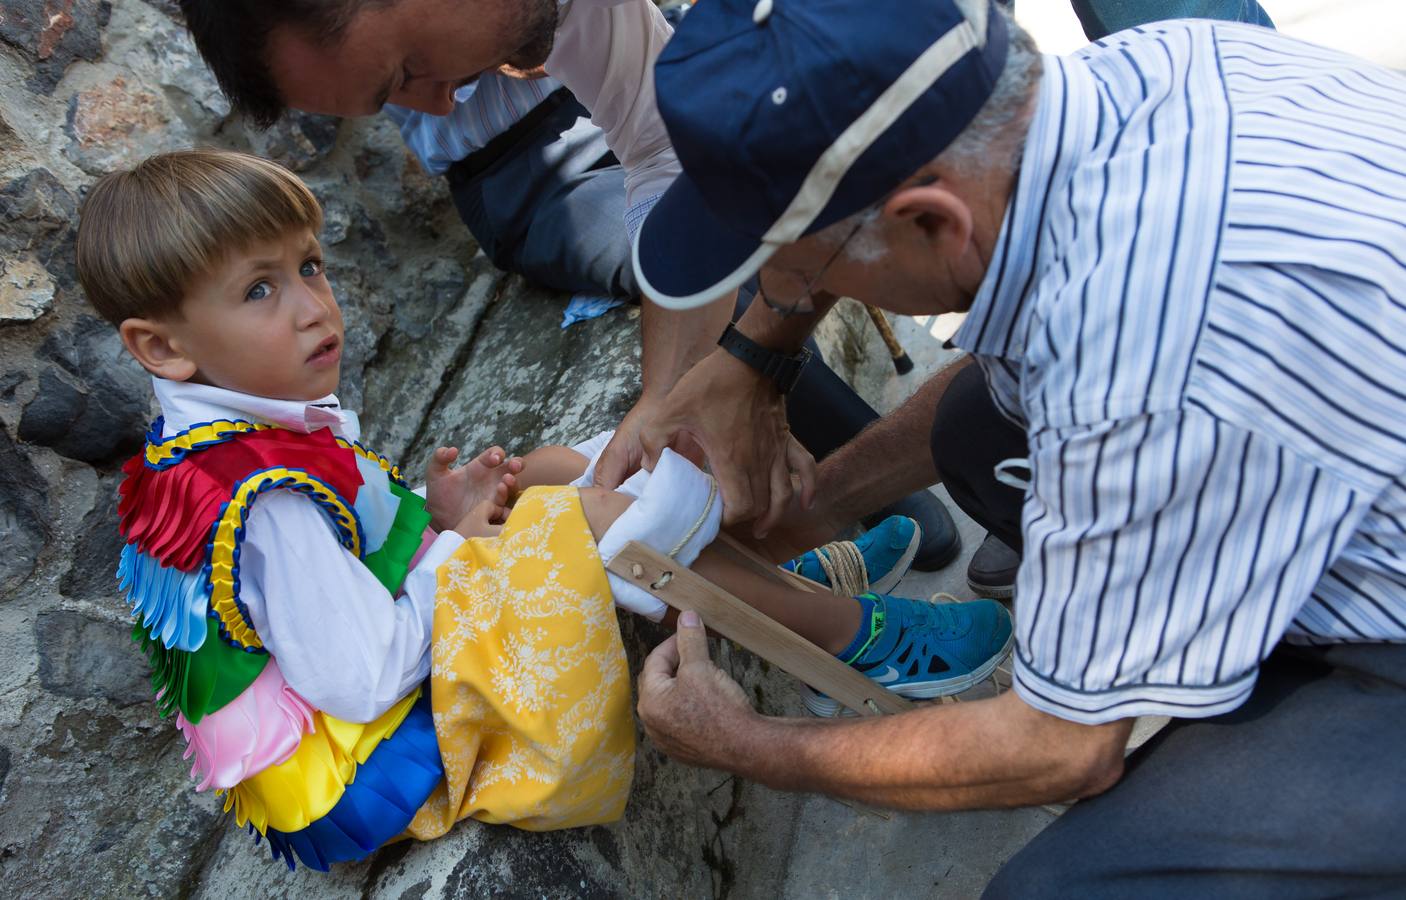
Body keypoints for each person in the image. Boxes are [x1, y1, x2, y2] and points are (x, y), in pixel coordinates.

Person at [628, 0, 1406, 895]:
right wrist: (780, 439)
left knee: (1059, 887)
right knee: (972, 429)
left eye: (798, 269)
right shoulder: (1154, 64)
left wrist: (748, 747)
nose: (789, 290)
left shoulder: (1140, 359)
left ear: (931, 221)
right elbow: (1031, 376)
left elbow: (1059, 750)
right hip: (1339, 429)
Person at [76, 148, 1015, 869]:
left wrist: (441, 511)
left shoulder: (231, 430)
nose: (315, 307)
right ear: (163, 348)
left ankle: (773, 597)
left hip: (380, 681)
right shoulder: (261, 500)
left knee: (567, 467)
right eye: (260, 289)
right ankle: (853, 636)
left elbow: (349, 570)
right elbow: (360, 675)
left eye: (309, 266)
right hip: (376, 759)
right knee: (596, 520)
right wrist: (459, 546)